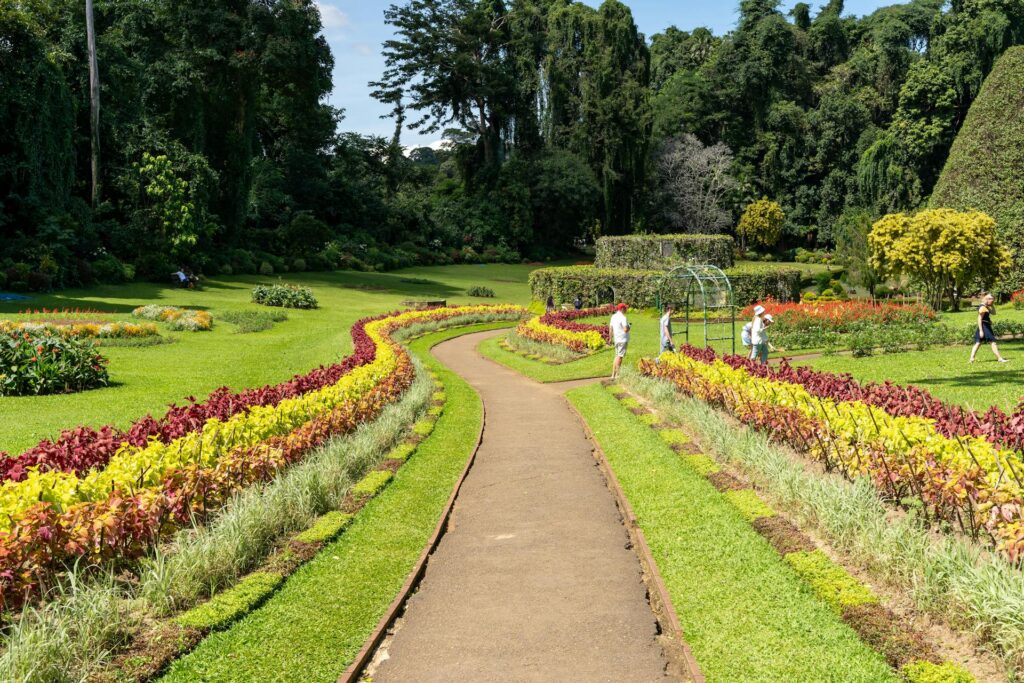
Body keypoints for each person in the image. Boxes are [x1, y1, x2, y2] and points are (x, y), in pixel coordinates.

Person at [970, 293, 1009, 363]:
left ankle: (971, 359)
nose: (992, 302)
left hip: (985, 325)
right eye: (992, 301)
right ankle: (1000, 358)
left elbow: (994, 313)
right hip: (984, 327)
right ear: (987, 299)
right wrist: (981, 331)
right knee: (993, 342)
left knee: (978, 343)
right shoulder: (982, 307)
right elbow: (979, 319)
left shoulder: (985, 306)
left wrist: (992, 305)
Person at [609, 303, 631, 380]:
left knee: (616, 356)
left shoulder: (613, 316)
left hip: (616, 339)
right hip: (622, 339)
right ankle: (617, 375)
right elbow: (625, 329)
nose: (626, 309)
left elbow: (610, 328)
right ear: (622, 309)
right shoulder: (623, 317)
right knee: (620, 357)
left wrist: (610, 338)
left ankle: (613, 375)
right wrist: (629, 327)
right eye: (625, 308)